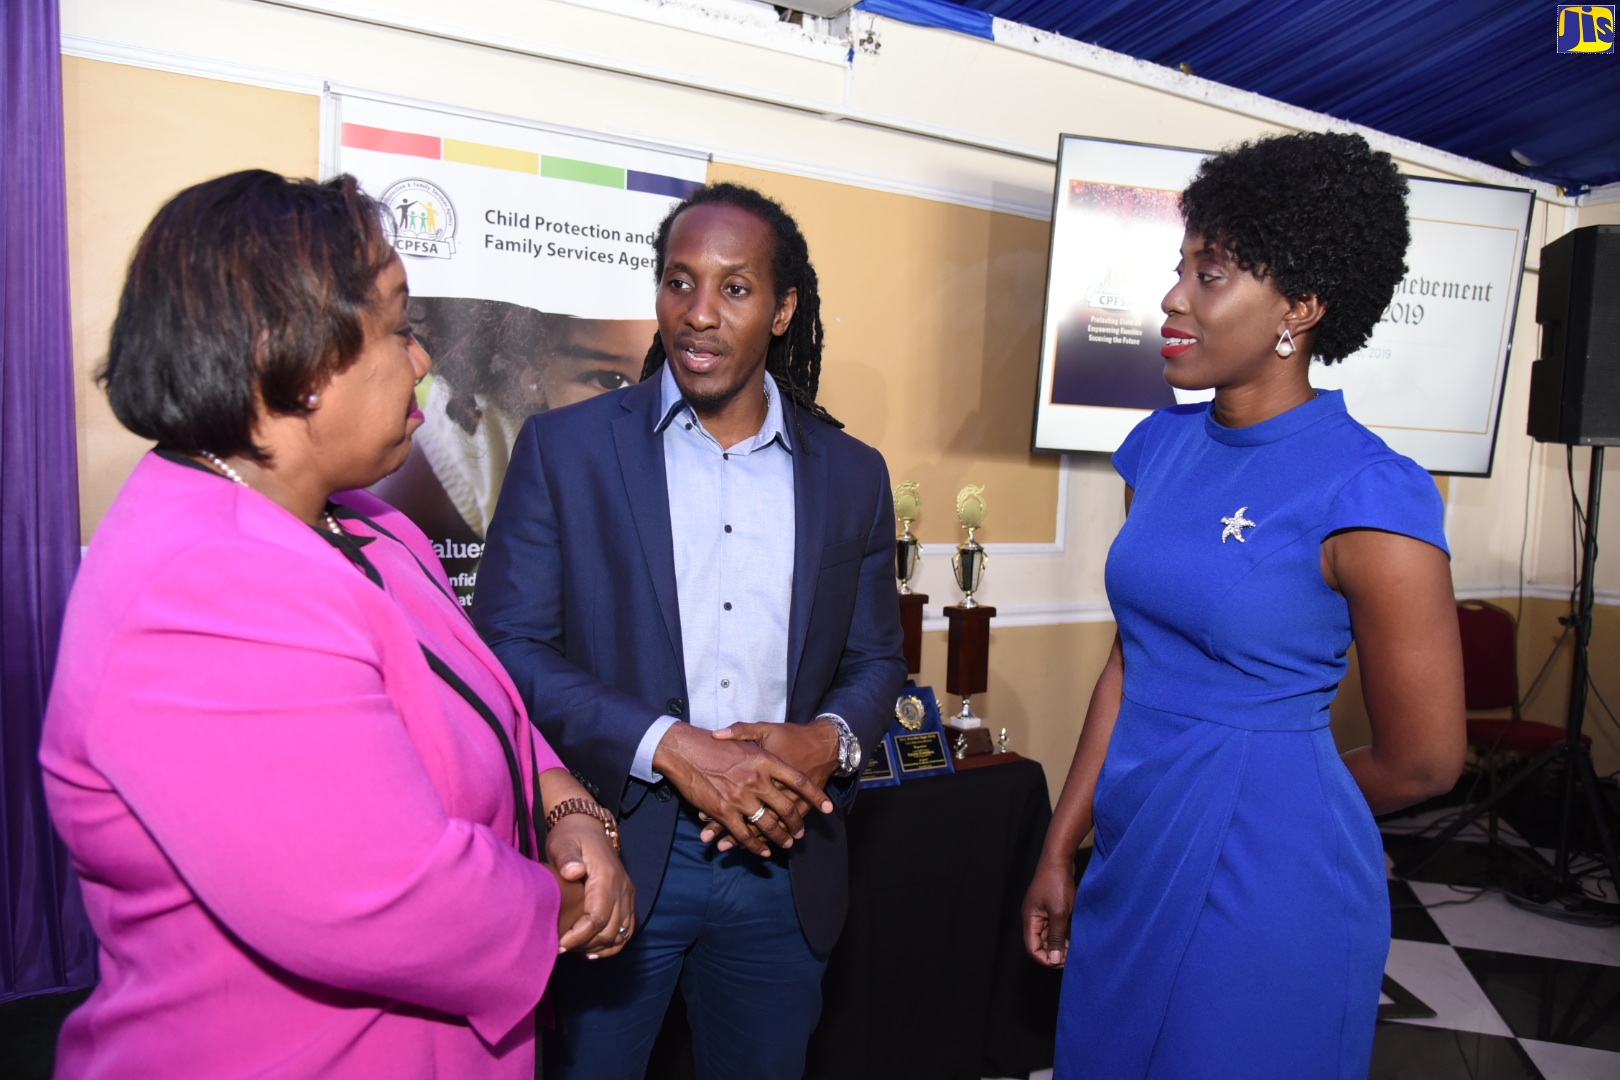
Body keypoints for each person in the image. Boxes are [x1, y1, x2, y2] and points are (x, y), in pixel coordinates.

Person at [39, 170, 635, 1079]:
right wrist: (571, 904)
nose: (423, 360)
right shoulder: (205, 590)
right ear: (296, 354)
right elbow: (389, 898)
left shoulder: (367, 523)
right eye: (399, 328)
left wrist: (566, 804)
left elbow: (495, 708)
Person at [1022, 132, 1466, 1080]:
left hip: (1272, 872)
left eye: (1210, 274)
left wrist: (1282, 796)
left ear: (1300, 309)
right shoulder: (1160, 448)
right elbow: (1132, 660)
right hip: (1136, 841)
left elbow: (1427, 759)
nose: (1173, 298)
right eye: (1180, 268)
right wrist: (1064, 842)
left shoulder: (1371, 493)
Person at [473, 182, 906, 1080]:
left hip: (783, 864)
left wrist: (828, 740)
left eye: (735, 289)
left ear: (783, 310)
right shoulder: (566, 450)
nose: (698, 315)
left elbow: (874, 659)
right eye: (679, 282)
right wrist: (671, 747)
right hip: (616, 849)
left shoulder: (855, 475)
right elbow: (510, 646)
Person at [373, 299, 654, 546]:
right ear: (530, 371)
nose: (651, 417)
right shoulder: (488, 433)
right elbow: (377, 567)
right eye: (611, 380)